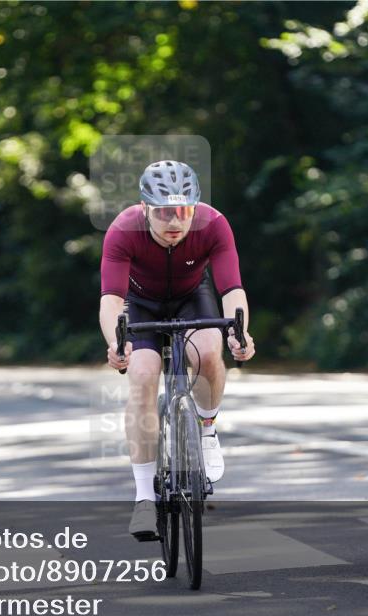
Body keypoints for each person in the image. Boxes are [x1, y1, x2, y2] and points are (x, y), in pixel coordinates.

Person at [99, 160, 255, 540]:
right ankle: (143, 499)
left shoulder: (213, 224)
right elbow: (111, 300)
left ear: (195, 208)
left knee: (208, 350)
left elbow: (231, 289)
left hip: (191, 296)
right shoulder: (123, 230)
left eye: (183, 211)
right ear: (144, 208)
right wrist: (116, 344)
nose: (174, 222)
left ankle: (206, 429)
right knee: (142, 373)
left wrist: (241, 333)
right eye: (163, 212)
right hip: (140, 303)